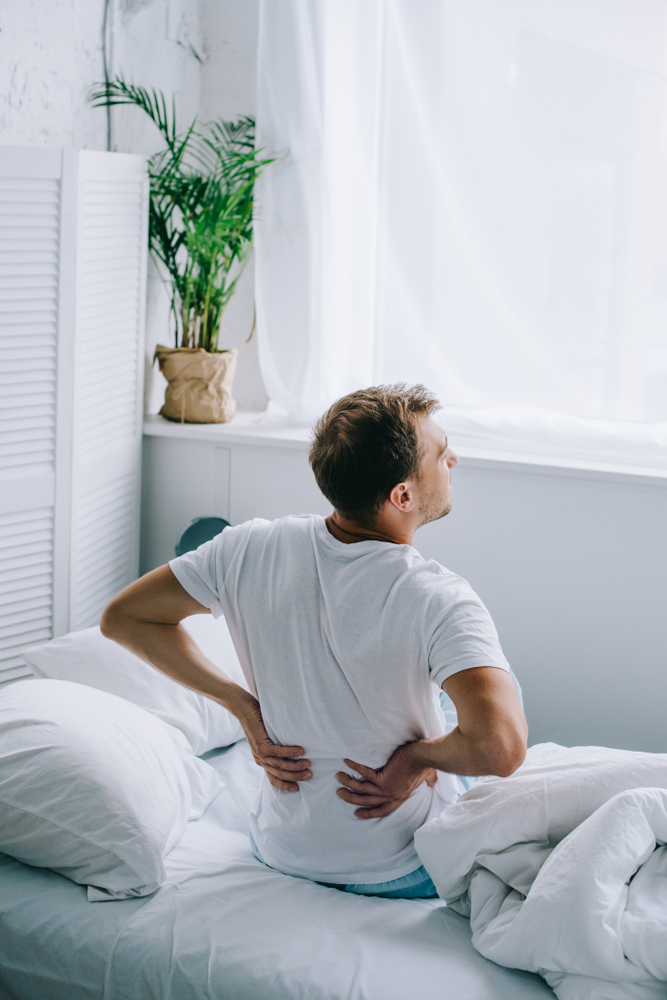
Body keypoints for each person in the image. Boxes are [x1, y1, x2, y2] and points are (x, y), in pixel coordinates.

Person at [101, 384, 527, 899]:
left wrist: (243, 708)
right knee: (481, 706)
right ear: (403, 496)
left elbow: (125, 618)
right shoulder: (440, 598)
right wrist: (415, 761)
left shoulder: (247, 548)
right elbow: (502, 750)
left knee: (446, 700)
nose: (453, 458)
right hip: (398, 866)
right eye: (441, 454)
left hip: (281, 846)